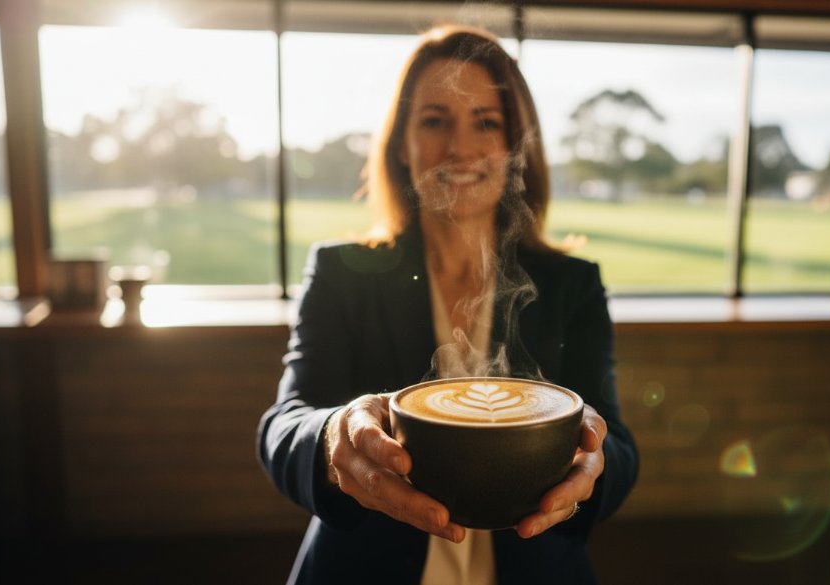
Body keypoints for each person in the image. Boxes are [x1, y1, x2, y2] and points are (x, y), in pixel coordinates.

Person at [257, 24, 638, 585]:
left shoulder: (570, 285)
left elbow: (619, 449)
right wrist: (335, 434)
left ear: (516, 147)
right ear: (400, 144)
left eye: (486, 122)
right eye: (434, 121)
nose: (459, 148)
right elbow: (283, 427)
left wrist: (593, 464)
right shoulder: (343, 274)